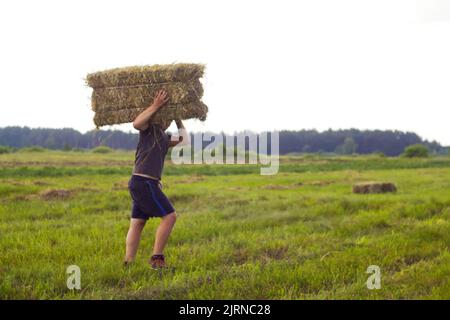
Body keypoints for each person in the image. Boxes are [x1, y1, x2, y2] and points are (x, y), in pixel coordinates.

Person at [124, 89, 189, 269]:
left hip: (141, 183)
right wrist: (156, 105)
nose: (166, 119)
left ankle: (128, 263)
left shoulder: (163, 136)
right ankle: (157, 259)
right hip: (144, 182)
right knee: (170, 216)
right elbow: (136, 123)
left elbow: (184, 140)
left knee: (138, 223)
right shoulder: (148, 129)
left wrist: (178, 118)